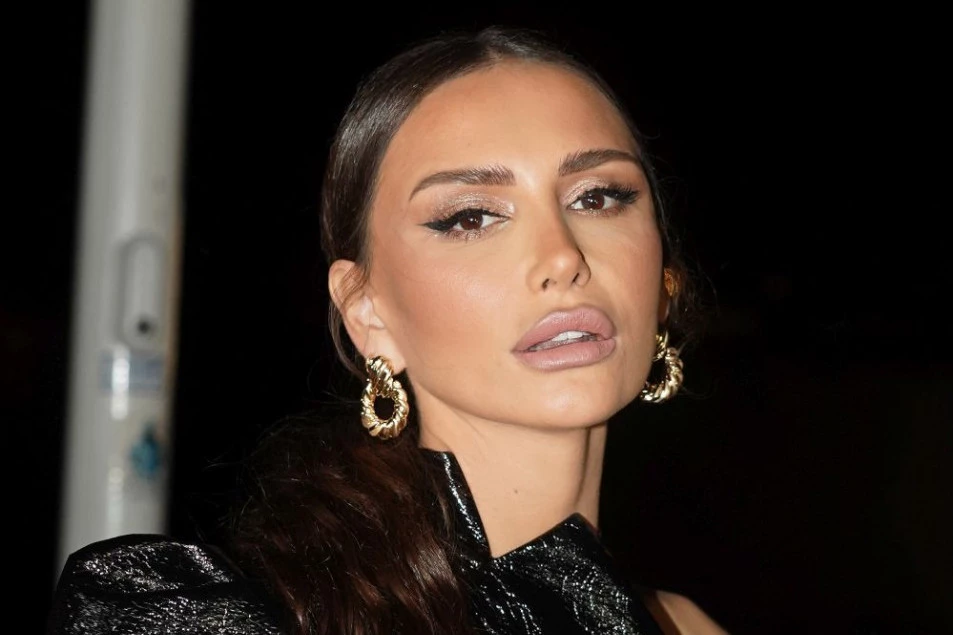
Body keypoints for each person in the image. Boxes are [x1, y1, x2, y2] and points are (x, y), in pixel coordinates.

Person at [47, 26, 728, 635]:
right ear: (366, 310)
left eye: (598, 197)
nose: (561, 257)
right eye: (470, 217)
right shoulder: (229, 619)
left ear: (662, 278)